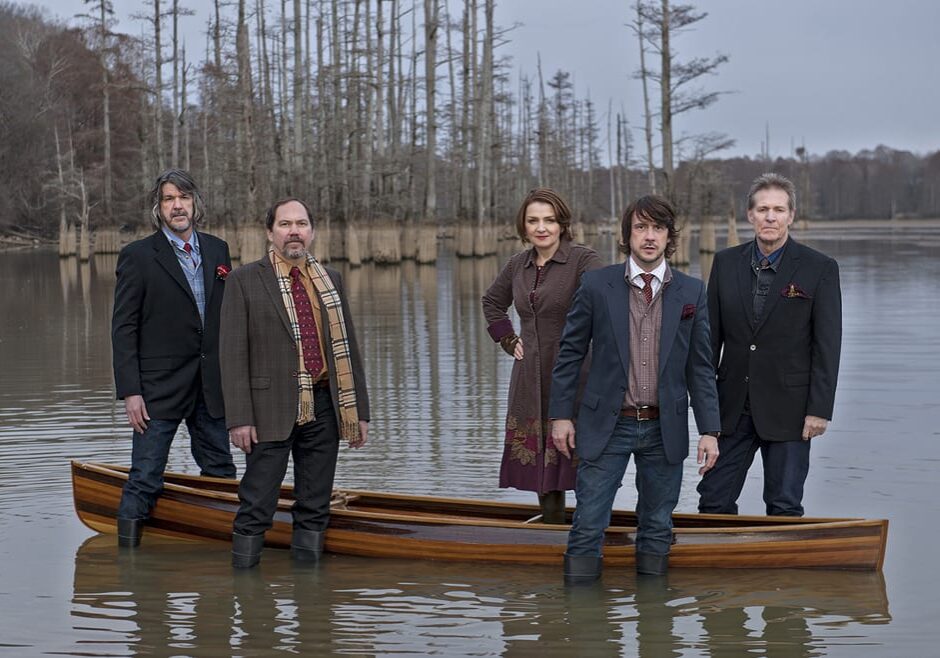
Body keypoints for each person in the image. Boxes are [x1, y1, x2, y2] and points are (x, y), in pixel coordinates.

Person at [549, 195, 720, 582]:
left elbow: (701, 367)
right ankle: (583, 625)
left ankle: (655, 628)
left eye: (657, 228)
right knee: (589, 522)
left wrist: (710, 430)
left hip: (665, 427)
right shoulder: (596, 284)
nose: (649, 236)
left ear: (669, 237)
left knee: (658, 525)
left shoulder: (691, 291)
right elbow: (570, 353)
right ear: (627, 234)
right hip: (606, 424)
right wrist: (561, 416)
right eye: (640, 227)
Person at [220, 197, 370, 568]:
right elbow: (232, 353)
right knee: (257, 503)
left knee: (315, 504)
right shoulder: (244, 280)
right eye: (285, 225)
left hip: (325, 405)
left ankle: (310, 602)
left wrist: (359, 413)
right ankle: (247, 594)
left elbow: (348, 347)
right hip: (268, 409)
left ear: (312, 232)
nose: (294, 232)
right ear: (270, 233)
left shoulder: (329, 280)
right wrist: (239, 418)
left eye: (301, 224)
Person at [697, 173, 842, 517]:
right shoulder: (725, 263)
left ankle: (782, 570)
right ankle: (716, 567)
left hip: (790, 410)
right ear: (750, 215)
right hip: (732, 409)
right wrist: (707, 416)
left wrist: (819, 409)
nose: (771, 217)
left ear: (791, 215)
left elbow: (827, 345)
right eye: (763, 209)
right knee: (713, 500)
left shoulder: (819, 268)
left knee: (784, 504)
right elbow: (707, 342)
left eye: (779, 209)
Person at [111, 169, 237, 548]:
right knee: (146, 476)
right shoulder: (137, 256)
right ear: (158, 208)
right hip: (157, 390)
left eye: (183, 197)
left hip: (209, 386)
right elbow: (123, 328)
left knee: (220, 471)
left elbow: (225, 319)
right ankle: (127, 564)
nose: (177, 205)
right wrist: (131, 392)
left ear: (195, 203)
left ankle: (224, 552)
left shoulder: (218, 250)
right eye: (168, 199)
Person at [481, 188, 602, 523]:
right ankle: (551, 528)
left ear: (562, 224)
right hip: (529, 376)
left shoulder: (584, 260)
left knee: (582, 458)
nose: (541, 227)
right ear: (524, 225)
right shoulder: (517, 264)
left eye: (549, 220)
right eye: (533, 220)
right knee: (543, 466)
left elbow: (606, 306)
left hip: (577, 374)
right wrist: (507, 338)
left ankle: (590, 530)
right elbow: (491, 302)